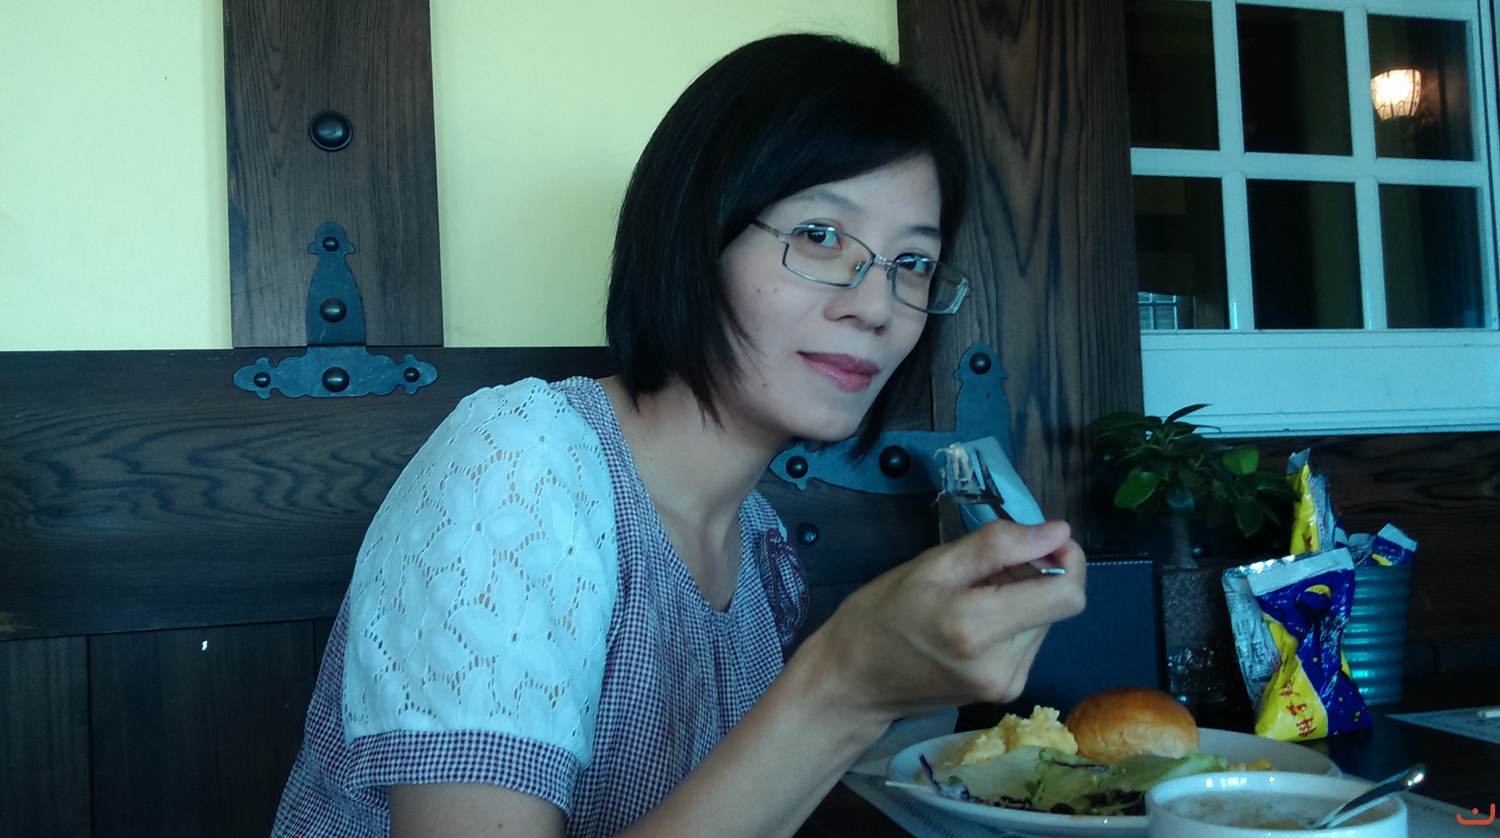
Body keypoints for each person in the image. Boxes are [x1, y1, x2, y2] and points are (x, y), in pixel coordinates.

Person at [271, 33, 1086, 838]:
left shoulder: (759, 550)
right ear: (696, 233)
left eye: (912, 263)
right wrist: (845, 681)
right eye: (820, 236)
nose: (877, 306)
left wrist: (903, 683)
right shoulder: (520, 462)